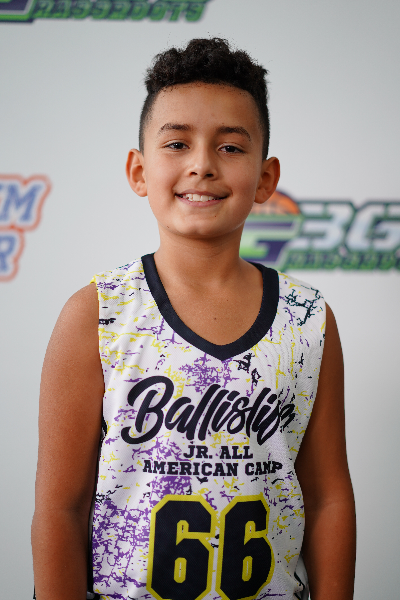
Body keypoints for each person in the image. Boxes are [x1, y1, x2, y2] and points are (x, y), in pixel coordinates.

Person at [31, 38, 356, 600]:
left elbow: (328, 497)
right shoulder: (98, 313)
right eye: (177, 143)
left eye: (230, 147)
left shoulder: (307, 319)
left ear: (265, 178)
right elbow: (61, 508)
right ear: (139, 170)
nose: (202, 164)